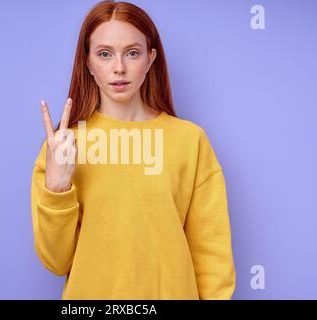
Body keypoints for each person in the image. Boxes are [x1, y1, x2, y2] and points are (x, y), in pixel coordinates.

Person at [31, 0, 236, 300]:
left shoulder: (190, 140)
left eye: (132, 53)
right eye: (104, 54)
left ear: (150, 58)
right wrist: (58, 186)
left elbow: (212, 256)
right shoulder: (63, 146)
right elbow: (55, 260)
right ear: (87, 62)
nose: (119, 68)